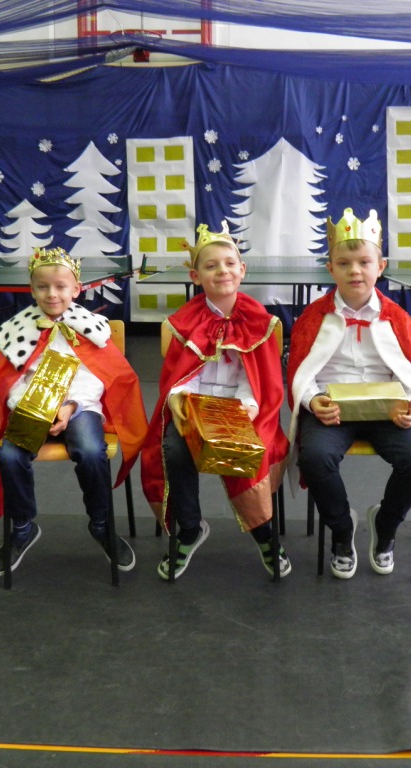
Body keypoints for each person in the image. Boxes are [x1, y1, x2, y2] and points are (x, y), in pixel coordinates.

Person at [0, 246, 148, 577]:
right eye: (43, 287)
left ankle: (101, 523)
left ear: (76, 289)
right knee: (9, 456)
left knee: (91, 450)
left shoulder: (91, 327)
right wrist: (34, 408)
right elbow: (9, 382)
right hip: (32, 407)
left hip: (80, 407)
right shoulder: (17, 330)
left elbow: (100, 377)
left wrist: (70, 406)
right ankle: (22, 526)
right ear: (32, 290)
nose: (51, 294)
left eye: (60, 286)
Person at [287, 208, 411, 579]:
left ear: (380, 266)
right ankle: (342, 530)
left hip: (386, 411)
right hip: (332, 409)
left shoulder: (396, 318)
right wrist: (312, 401)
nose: (355, 271)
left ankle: (385, 526)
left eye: (364, 262)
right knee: (315, 457)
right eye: (344, 263)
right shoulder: (313, 318)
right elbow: (300, 373)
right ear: (331, 269)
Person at [140, 222, 290, 580]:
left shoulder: (262, 322)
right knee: (174, 449)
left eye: (229, 263)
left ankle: (263, 532)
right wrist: (180, 398)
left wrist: (245, 407)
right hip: (195, 405)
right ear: (195, 276)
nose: (222, 271)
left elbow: (259, 378)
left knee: (242, 450)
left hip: (244, 408)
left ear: (242, 270)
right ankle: (190, 528)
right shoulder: (182, 323)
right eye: (211, 266)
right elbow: (180, 374)